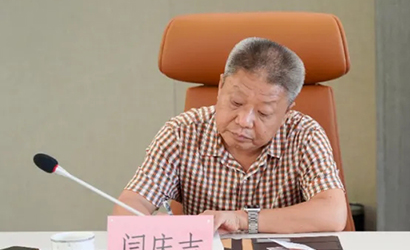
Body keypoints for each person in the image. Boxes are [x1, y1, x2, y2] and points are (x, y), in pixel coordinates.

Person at [113, 37, 348, 234]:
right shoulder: (181, 133)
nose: (244, 121)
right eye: (236, 102)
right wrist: (150, 225)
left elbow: (333, 213)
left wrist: (242, 219)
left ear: (287, 112)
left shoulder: (304, 135)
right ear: (220, 86)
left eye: (264, 113)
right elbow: (131, 204)